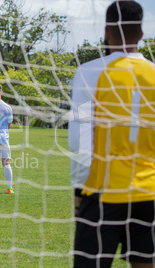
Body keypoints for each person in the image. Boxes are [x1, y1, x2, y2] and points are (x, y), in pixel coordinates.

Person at [69, 1, 155, 267]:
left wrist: (78, 194)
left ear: (106, 32)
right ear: (141, 35)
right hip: (149, 191)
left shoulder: (88, 72)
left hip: (102, 192)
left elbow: (80, 143)